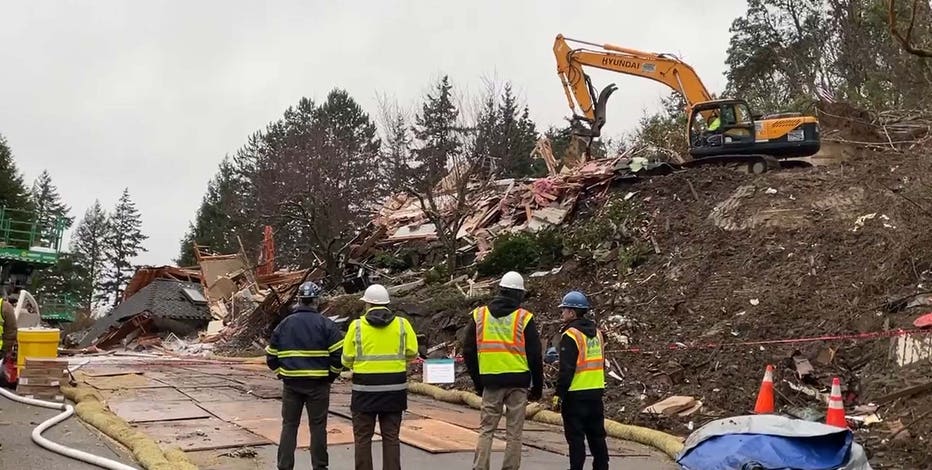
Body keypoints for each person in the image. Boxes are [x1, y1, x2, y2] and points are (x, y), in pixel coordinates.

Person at [463, 271, 543, 470]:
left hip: (491, 382)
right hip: (518, 383)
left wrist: (478, 382)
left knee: (486, 430)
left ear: (500, 290)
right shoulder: (524, 318)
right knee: (514, 433)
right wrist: (537, 387)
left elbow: (468, 351)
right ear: (518, 294)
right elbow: (535, 355)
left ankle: (480, 467)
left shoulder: (480, 315)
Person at [266, 281, 344, 470]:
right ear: (316, 301)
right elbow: (338, 356)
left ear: (299, 300)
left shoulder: (284, 325)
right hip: (318, 386)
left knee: (289, 426)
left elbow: (271, 357)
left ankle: (284, 466)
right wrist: (330, 376)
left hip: (291, 385)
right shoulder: (327, 325)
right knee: (318, 427)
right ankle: (320, 466)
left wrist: (282, 374)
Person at [341, 283, 418, 470]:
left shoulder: (357, 326)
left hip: (364, 391)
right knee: (391, 437)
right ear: (387, 304)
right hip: (394, 390)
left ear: (367, 304)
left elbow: (346, 359)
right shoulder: (402, 324)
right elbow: (412, 352)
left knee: (363, 438)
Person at [553, 290, 609, 470]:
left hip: (575, 395)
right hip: (595, 393)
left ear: (572, 312)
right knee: (597, 436)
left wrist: (558, 394)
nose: (562, 313)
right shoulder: (597, 333)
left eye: (564, 310)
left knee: (576, 439)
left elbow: (566, 369)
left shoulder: (571, 335)